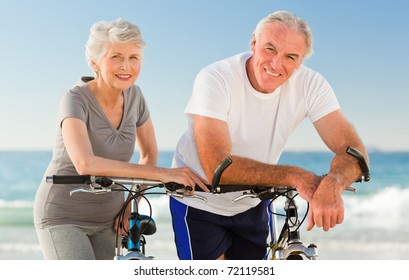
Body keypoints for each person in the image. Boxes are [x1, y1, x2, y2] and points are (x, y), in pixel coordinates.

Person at [170, 10, 369, 260]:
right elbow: (217, 167)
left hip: (255, 203)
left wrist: (333, 183)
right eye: (270, 49)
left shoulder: (311, 85)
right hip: (198, 201)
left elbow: (353, 150)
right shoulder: (216, 78)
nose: (276, 64)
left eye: (291, 56)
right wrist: (296, 176)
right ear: (253, 43)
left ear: (300, 62)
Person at [33, 18, 206, 260]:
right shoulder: (74, 99)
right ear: (95, 63)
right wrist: (162, 174)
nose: (126, 66)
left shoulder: (136, 97)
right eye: (116, 57)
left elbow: (149, 154)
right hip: (63, 216)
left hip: (110, 220)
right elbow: (85, 163)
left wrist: (129, 206)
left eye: (133, 57)